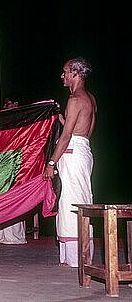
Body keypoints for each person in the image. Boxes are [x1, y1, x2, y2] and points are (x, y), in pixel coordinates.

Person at [43, 57, 96, 268]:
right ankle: (72, 256)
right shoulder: (90, 98)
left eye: (65, 71)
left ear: (75, 73)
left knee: (71, 203)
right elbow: (82, 131)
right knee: (80, 199)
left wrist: (51, 163)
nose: (62, 75)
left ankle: (77, 259)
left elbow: (66, 137)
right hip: (83, 150)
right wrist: (59, 115)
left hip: (72, 154)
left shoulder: (75, 100)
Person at [0, 98, 27, 245]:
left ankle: (15, 235)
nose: (12, 107)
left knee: (14, 198)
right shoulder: (4, 123)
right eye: (9, 105)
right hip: (3, 165)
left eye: (14, 105)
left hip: (16, 165)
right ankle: (4, 235)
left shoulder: (21, 124)